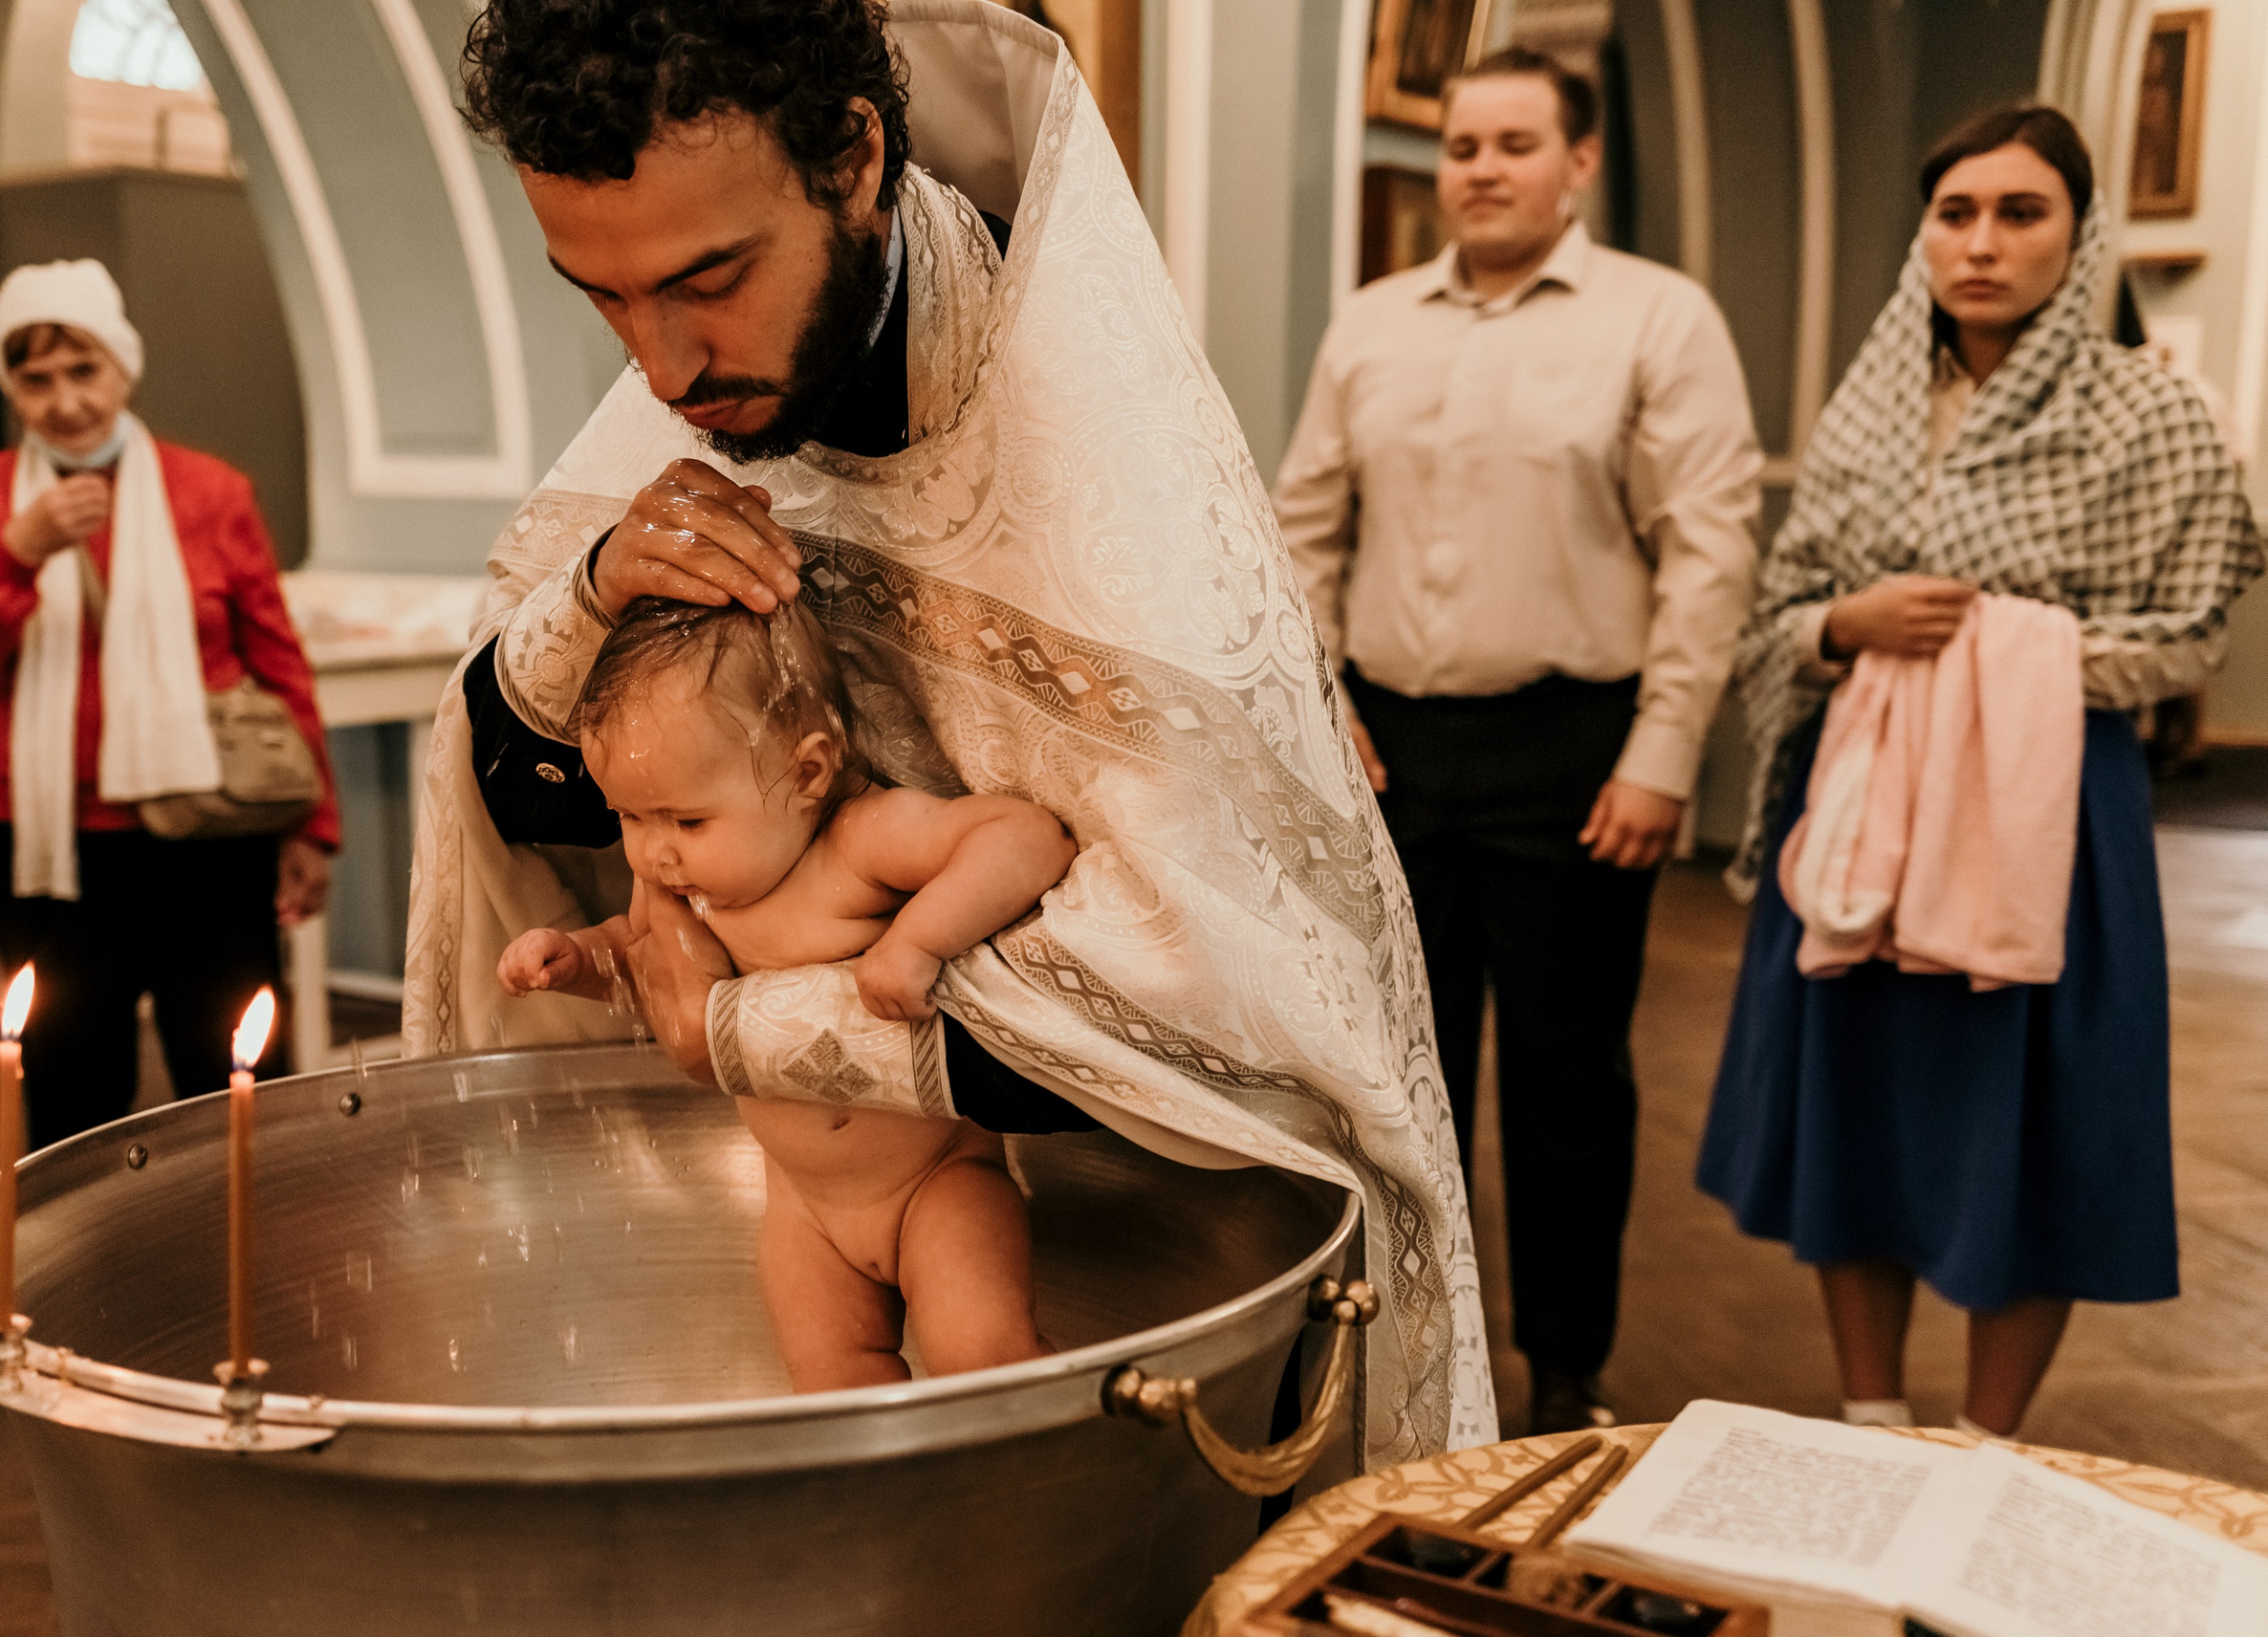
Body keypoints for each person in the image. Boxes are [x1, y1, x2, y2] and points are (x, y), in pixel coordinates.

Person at [404, 0, 1502, 1466]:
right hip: (815, 1195)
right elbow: (525, 794)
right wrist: (600, 585)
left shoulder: (1119, 494)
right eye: (601, 299)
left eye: (708, 280)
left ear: (854, 160)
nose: (661, 371)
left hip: (1152, 1266)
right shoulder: (692, 411)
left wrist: (735, 1021)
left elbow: (1226, 1011)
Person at [1700, 106, 2261, 1438]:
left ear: (2080, 235)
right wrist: (1848, 622)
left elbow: (2189, 634)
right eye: (1955, 214)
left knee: (2041, 1106)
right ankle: (1873, 1418)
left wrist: (1990, 653)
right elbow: (1780, 616)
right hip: (1863, 794)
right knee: (1859, 1088)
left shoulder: (2148, 415)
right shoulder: (1871, 408)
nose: (1982, 244)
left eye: (2021, 213)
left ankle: (1984, 1443)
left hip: (2047, 801)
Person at [1272, 47, 1762, 1433]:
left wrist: (1663, 752)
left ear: (1578, 163)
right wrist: (1322, 702)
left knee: (1566, 1081)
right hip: (1391, 754)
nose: (1479, 169)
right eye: (1462, 145)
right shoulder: (1371, 325)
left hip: (1575, 752)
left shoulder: (1658, 320)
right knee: (1391, 1085)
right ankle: (1417, 1365)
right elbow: (1302, 531)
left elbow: (1711, 547)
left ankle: (1565, 1371)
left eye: (1513, 143)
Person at [498, 599, 1069, 1388]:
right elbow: (642, 962)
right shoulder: (685, 889)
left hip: (936, 1183)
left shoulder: (856, 844)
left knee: (983, 1358)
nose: (655, 852)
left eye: (687, 821)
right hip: (802, 1209)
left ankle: (1075, 1456)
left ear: (807, 774)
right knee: (831, 1387)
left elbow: (1027, 838)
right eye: (629, 816)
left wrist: (917, 941)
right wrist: (579, 961)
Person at [0, 259, 338, 1148]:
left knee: (232, 1075)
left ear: (123, 368)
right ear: (11, 389)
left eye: (85, 370)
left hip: (207, 833)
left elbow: (276, 659)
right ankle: (91, 1239)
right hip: (48, 846)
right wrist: (17, 551)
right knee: (71, 1083)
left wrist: (312, 827)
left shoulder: (209, 491)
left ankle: (251, 1229)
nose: (67, 402)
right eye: (36, 379)